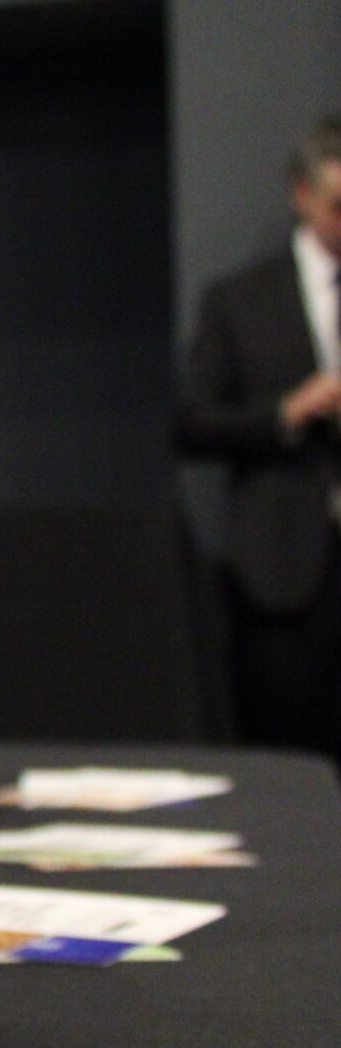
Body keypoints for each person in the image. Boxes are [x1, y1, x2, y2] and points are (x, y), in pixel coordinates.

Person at [178, 115, 341, 762]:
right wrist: (288, 411)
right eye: (338, 205)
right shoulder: (241, 300)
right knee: (291, 751)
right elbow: (192, 422)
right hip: (285, 570)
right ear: (302, 195)